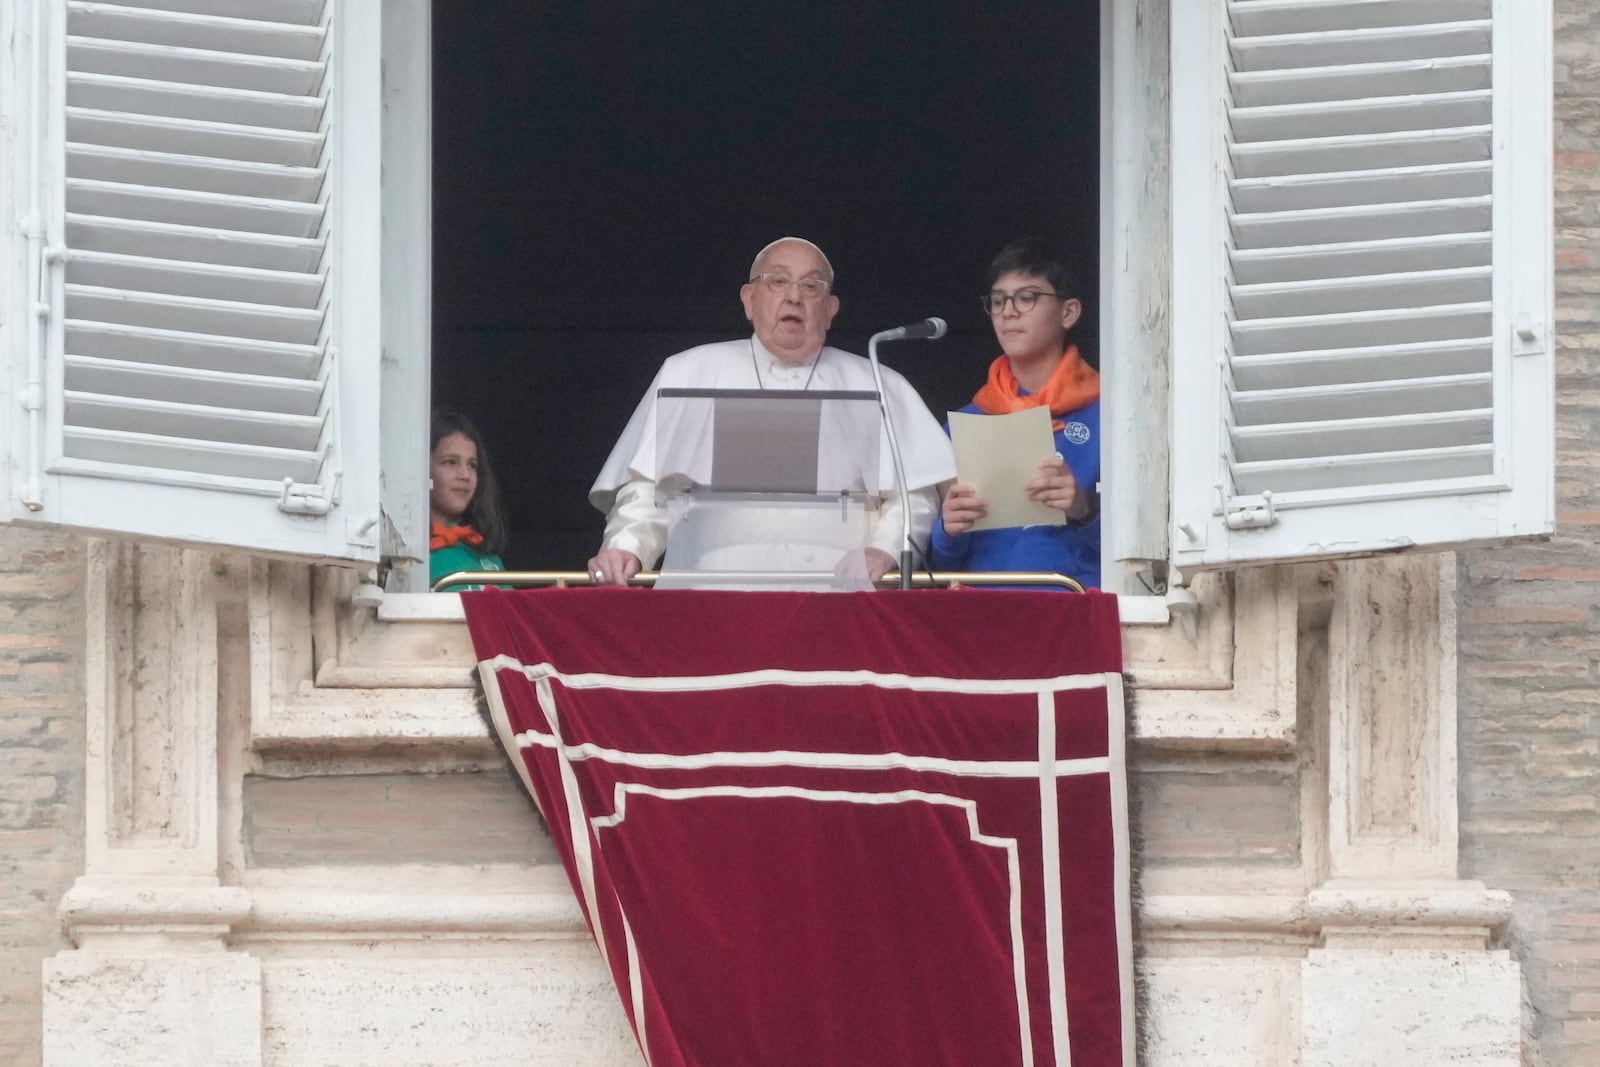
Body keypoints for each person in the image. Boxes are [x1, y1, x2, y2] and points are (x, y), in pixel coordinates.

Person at [587, 237, 955, 587]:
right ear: (749, 300)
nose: (794, 297)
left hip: (840, 594)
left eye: (811, 287)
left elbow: (916, 496)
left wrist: (885, 549)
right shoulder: (690, 372)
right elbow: (649, 488)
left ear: (830, 310)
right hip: (709, 590)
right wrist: (626, 548)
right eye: (777, 281)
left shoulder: (878, 382)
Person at [931, 238, 1100, 589]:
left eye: (1027, 298)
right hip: (983, 614)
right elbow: (940, 565)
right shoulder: (966, 423)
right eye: (998, 300)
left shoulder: (1114, 416)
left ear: (1069, 312)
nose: (1008, 312)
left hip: (1072, 606)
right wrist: (949, 529)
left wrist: (1083, 509)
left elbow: (1148, 552)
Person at [429, 411, 508, 589]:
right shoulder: (404, 558)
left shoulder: (488, 558)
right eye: (450, 462)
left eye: (472, 465)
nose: (465, 475)